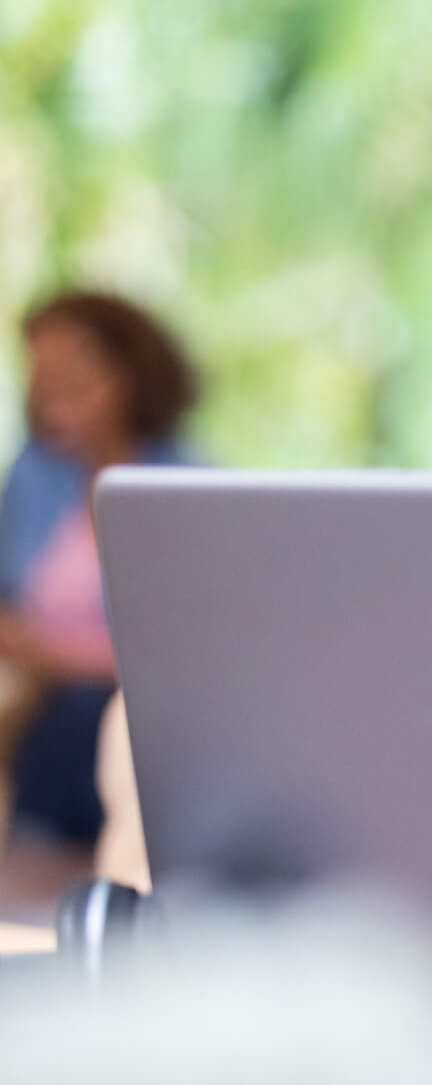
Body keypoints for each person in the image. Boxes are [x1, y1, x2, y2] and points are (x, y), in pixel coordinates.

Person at [0, 290, 197, 848]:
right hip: (41, 701)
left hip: (132, 709)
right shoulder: (34, 475)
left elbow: (187, 643)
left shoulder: (187, 481)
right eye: (41, 367)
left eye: (73, 363)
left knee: (93, 717)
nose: (51, 380)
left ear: (126, 367)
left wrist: (57, 658)